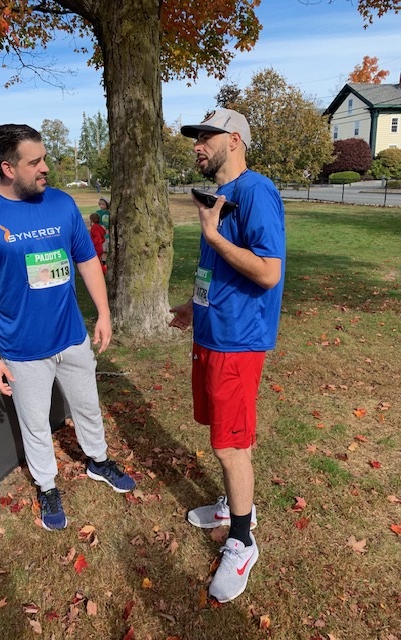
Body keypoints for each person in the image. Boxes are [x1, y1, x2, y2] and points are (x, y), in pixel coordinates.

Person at [0, 124, 135, 532]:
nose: (45, 168)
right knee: (34, 424)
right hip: (22, 350)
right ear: (7, 168)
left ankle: (98, 460)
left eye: (44, 159)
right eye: (34, 162)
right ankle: (47, 485)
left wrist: (103, 313)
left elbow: (86, 260)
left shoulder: (62, 204)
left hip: (72, 337)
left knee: (87, 406)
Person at [170, 108, 285, 603]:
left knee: (229, 445)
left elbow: (269, 272)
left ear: (234, 140)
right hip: (211, 332)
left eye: (206, 137)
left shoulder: (256, 191)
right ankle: (236, 505)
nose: (197, 145)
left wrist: (215, 235)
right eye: (195, 137)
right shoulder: (221, 195)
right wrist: (192, 305)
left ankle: (242, 540)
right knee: (226, 435)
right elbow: (215, 267)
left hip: (238, 341)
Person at [96, 197, 110, 264]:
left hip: (107, 234)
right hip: (101, 234)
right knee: (102, 249)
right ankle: (102, 263)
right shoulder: (98, 213)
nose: (101, 206)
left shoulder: (110, 213)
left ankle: (104, 263)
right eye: (100, 204)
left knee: (106, 249)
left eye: (103, 204)